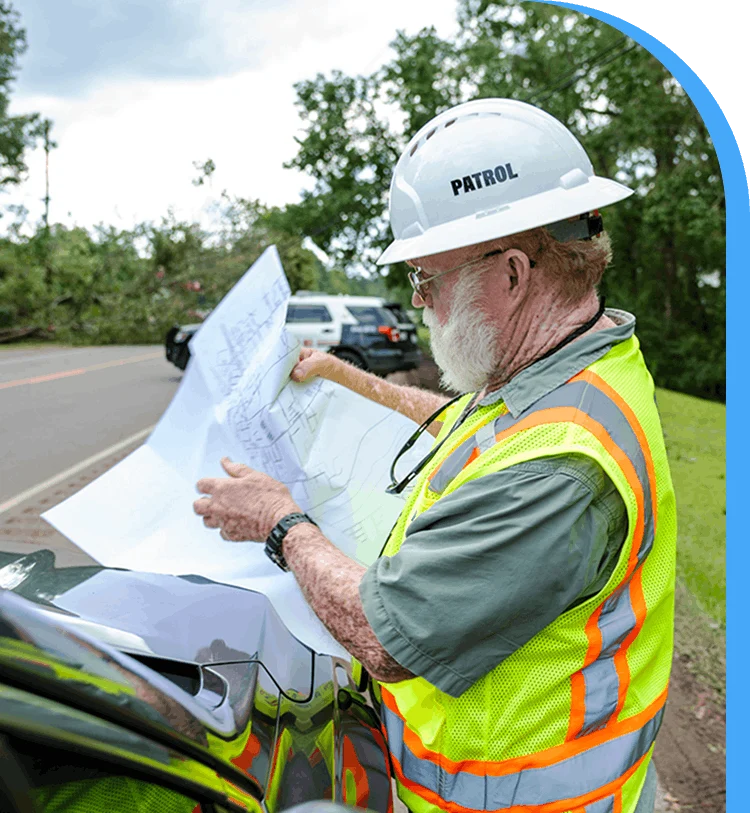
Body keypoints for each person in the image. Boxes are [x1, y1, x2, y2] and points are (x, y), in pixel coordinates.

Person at [194, 98, 676, 813]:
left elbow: (387, 636)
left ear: (511, 274)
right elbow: (471, 423)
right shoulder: (566, 366)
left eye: (427, 279)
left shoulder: (558, 471)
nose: (420, 302)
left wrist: (279, 522)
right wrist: (344, 376)